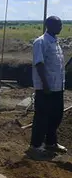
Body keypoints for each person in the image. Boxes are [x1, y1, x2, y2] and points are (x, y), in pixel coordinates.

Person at [28, 15, 68, 159]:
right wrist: (45, 84)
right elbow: (39, 63)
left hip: (58, 87)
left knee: (56, 116)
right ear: (49, 26)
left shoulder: (56, 43)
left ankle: (51, 143)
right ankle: (36, 146)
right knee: (42, 117)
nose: (61, 27)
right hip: (46, 88)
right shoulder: (41, 42)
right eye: (58, 24)